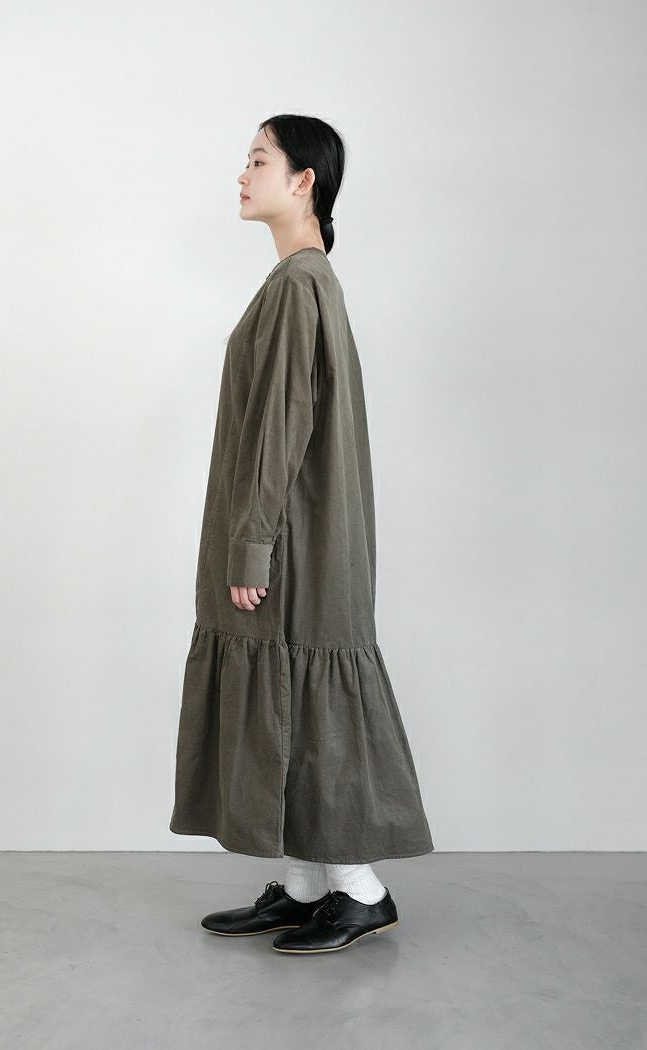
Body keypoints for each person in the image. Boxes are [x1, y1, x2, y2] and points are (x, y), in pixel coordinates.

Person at [170, 114, 434, 954]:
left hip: (292, 540)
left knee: (303, 701)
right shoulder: (309, 279)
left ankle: (360, 890)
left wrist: (251, 544)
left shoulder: (296, 284)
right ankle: (305, 885)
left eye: (258, 160)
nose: (242, 175)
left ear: (303, 180)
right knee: (289, 696)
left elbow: (280, 426)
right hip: (305, 533)